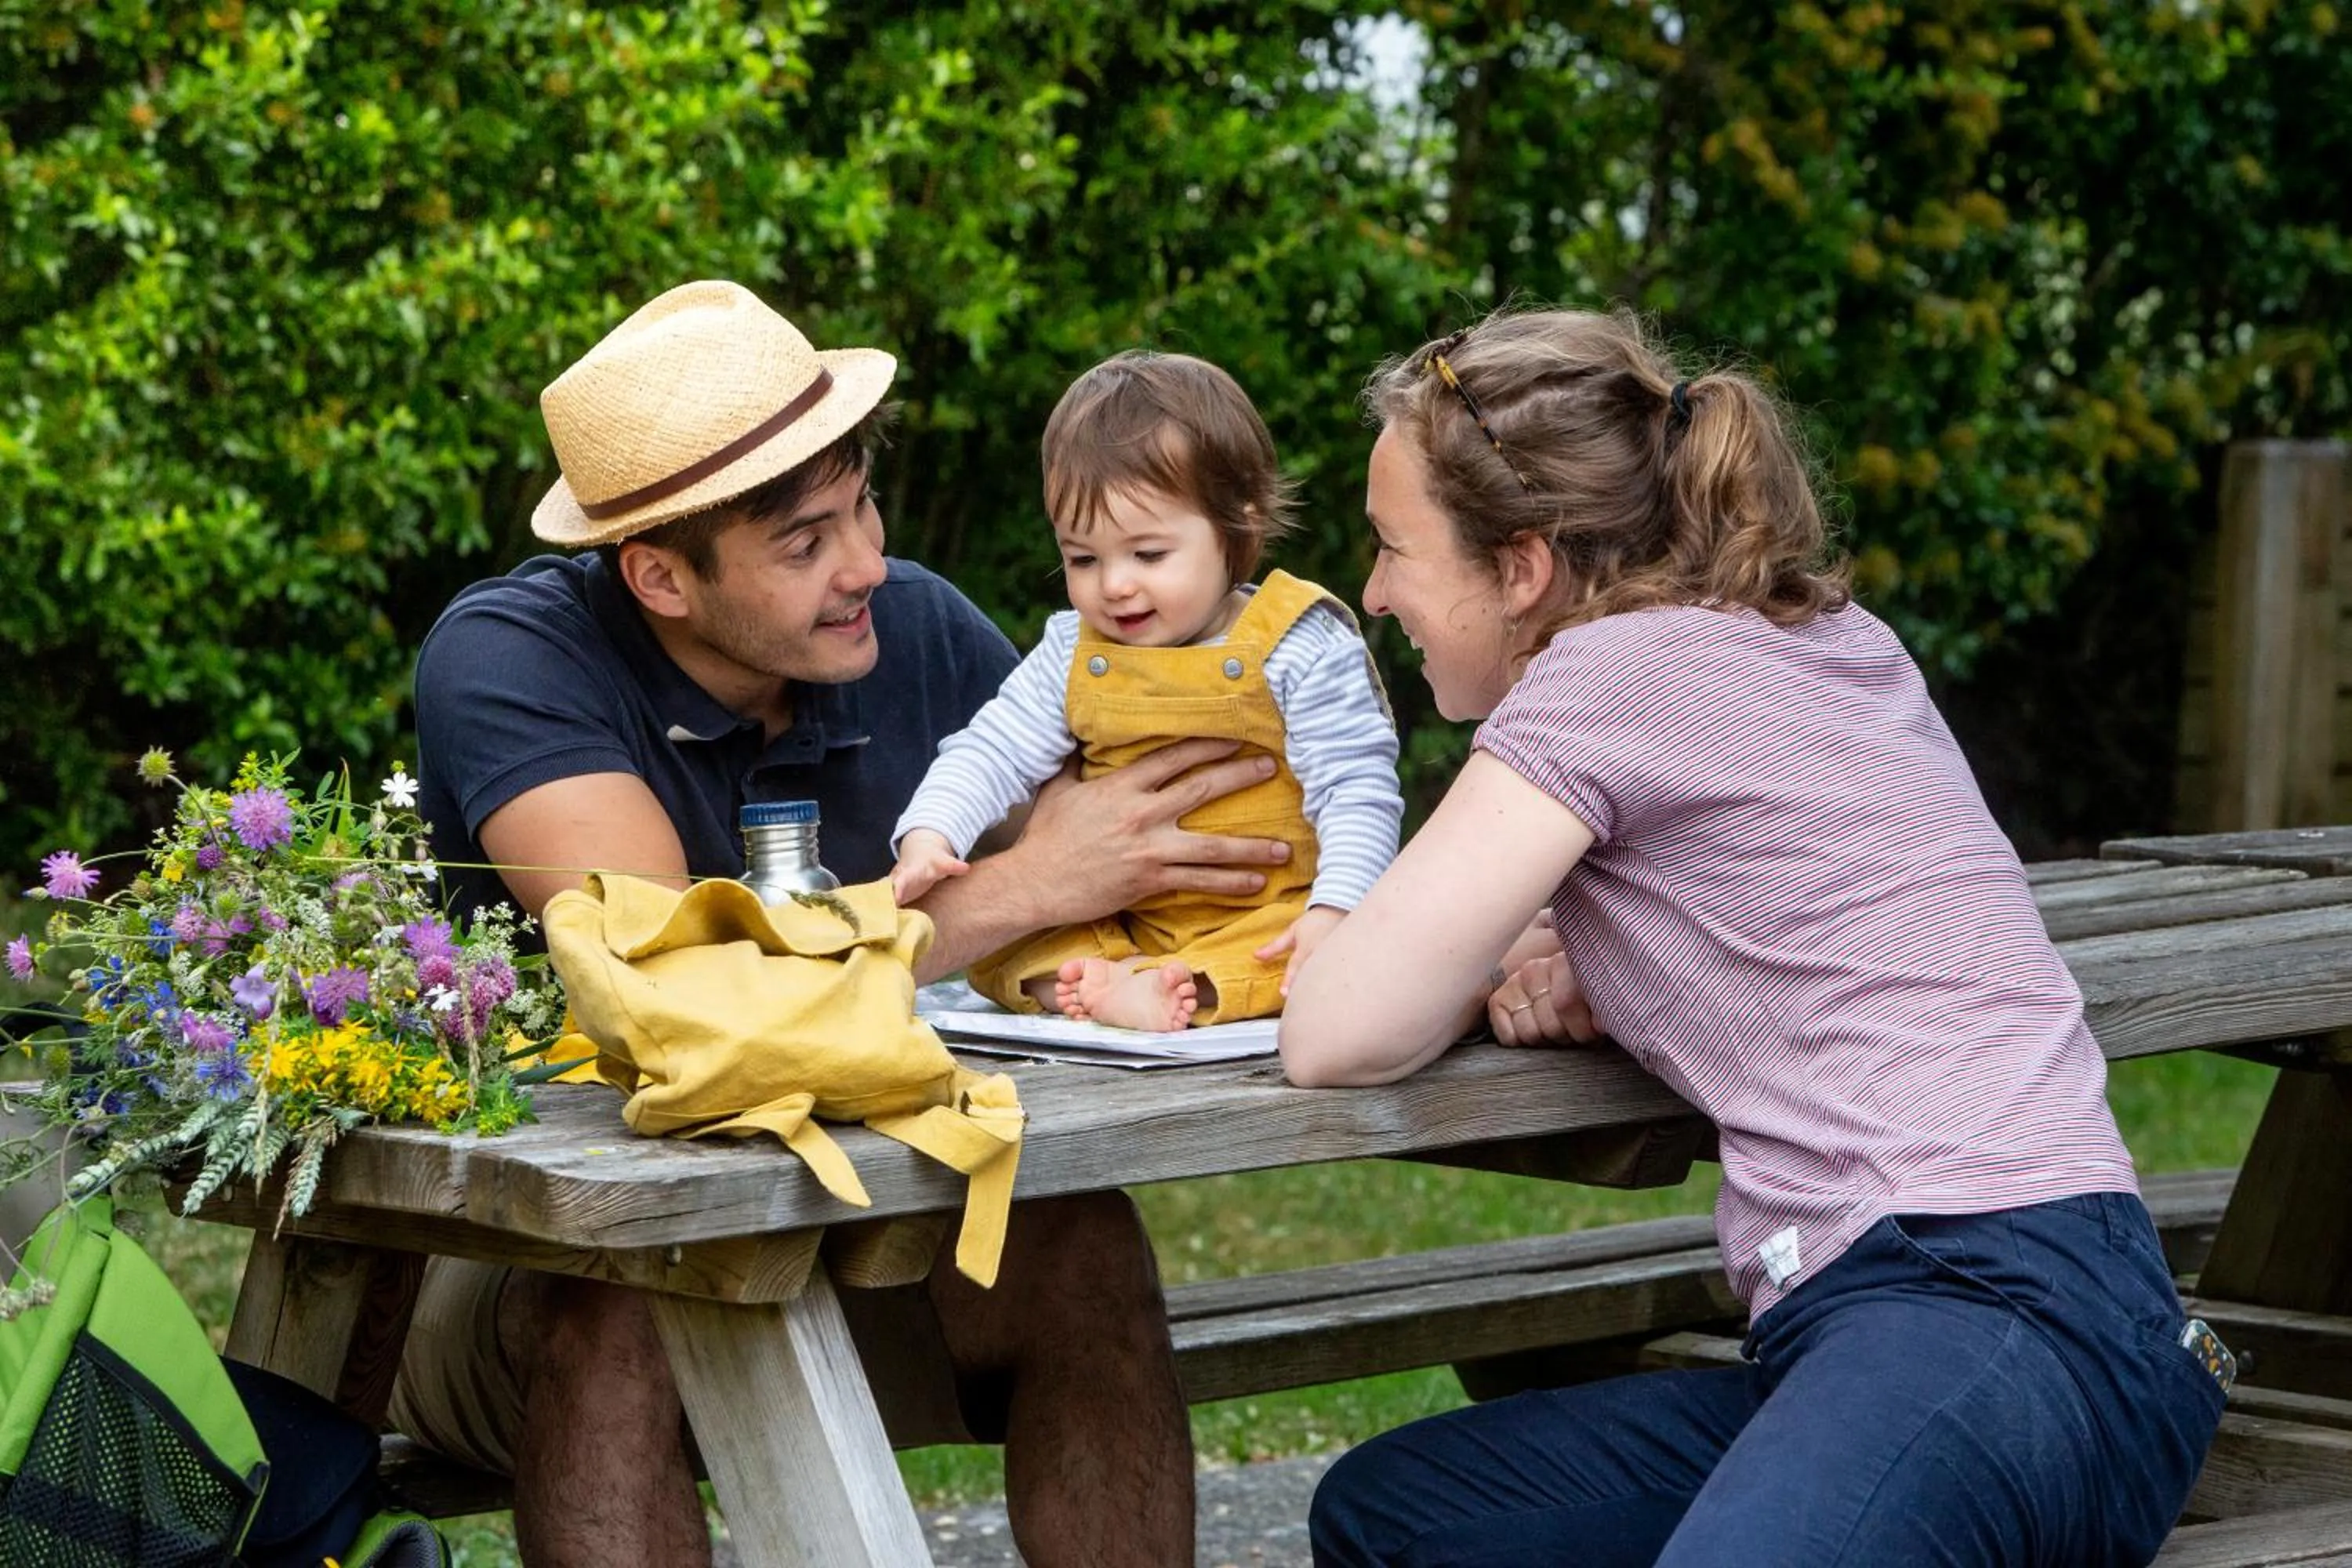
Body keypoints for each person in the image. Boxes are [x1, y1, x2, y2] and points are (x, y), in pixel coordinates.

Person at [1279, 307, 2227, 1566]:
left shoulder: (1604, 678)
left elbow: (1336, 1028)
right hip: (2010, 1316)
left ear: (1522, 568)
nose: (1375, 591)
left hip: (1980, 1305)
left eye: (1396, 548)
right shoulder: (1825, 639)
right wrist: (1570, 961)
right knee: (1403, 1519)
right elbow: (1774, 902)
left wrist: (1463, 968)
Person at [397, 279, 1293, 1568]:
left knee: (1081, 1239)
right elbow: (680, 987)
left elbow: (1136, 852)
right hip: (527, 1264)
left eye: (863, 505)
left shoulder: (912, 627)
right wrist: (1028, 887)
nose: (867, 563)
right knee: (623, 1296)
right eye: (806, 542)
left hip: (856, 1230)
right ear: (659, 575)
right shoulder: (510, 660)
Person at [891, 350, 1403, 1030]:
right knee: (1005, 943)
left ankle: (1165, 987)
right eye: (1082, 558)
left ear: (1239, 525)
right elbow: (990, 750)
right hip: (1118, 919)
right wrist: (931, 834)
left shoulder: (1296, 643)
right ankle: (1121, 980)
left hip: (1264, 909)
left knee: (1304, 955)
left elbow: (1357, 789)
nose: (1114, 585)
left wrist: (1335, 911)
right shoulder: (1072, 651)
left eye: (1149, 554)